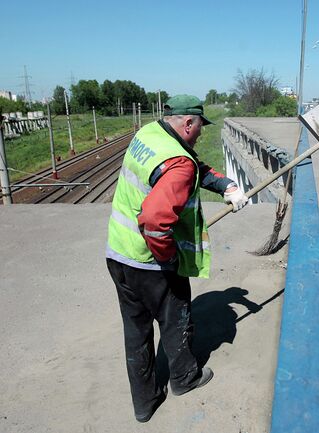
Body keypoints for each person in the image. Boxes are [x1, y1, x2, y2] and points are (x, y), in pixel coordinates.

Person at [105, 94, 249, 422]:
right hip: (148, 261)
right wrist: (168, 259)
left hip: (118, 253)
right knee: (176, 315)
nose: (202, 133)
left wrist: (226, 185)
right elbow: (156, 221)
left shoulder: (149, 135)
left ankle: (144, 404)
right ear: (187, 123)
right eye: (200, 127)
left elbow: (189, 165)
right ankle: (184, 378)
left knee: (136, 330)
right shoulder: (178, 164)